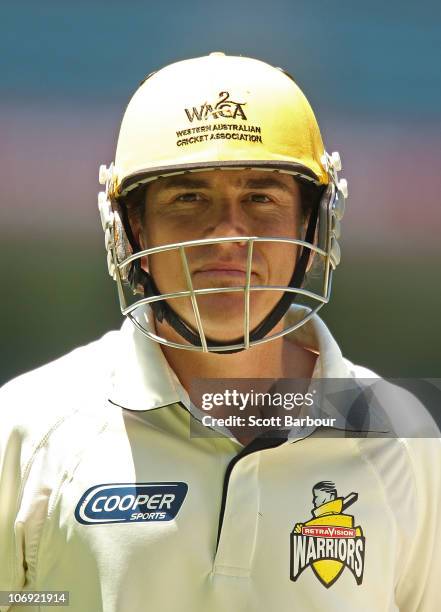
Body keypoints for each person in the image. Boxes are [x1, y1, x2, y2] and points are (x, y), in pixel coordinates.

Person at [0, 52, 440, 612]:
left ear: (314, 223)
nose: (227, 234)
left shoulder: (405, 438)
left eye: (261, 197)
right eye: (189, 197)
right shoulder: (26, 427)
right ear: (131, 228)